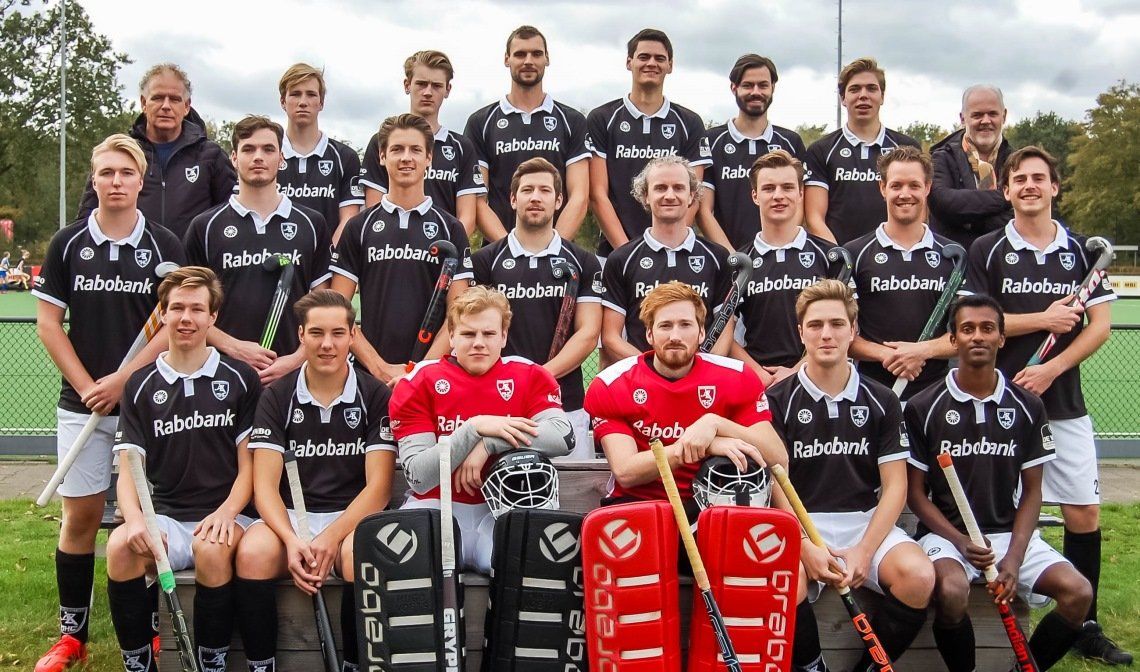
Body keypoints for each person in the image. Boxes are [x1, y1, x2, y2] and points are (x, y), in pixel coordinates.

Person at [965, 147, 1129, 664]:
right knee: (1006, 512)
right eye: (1019, 179)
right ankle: (1005, 614)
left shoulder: (1082, 251)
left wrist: (1051, 368)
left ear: (1055, 187)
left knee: (1084, 512)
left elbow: (1099, 327)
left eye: (1039, 178)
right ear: (1006, 190)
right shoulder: (987, 249)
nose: (1030, 186)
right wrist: (1043, 319)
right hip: (1002, 407)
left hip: (1062, 403)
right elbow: (977, 322)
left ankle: (1086, 623)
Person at [33, 134, 185, 672]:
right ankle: (71, 635)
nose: (116, 181)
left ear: (141, 180)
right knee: (81, 516)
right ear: (93, 179)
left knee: (145, 520)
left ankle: (150, 630)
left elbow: (173, 324)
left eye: (126, 172)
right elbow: (49, 325)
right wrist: (88, 386)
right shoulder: (68, 243)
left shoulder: (164, 244)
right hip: (83, 405)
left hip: (147, 406)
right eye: (106, 172)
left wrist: (124, 381)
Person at [906, 294, 1094, 672]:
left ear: (1001, 338)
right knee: (952, 592)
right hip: (947, 537)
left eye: (987, 328)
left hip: (1008, 536)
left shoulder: (1028, 405)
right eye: (968, 329)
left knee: (1079, 592)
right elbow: (915, 495)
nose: (978, 336)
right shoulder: (923, 406)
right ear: (953, 340)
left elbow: (1033, 491)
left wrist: (1014, 558)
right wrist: (961, 541)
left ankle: (1024, 668)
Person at [767, 279, 934, 672]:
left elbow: (896, 486)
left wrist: (864, 551)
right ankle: (813, 667)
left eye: (837, 324)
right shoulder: (776, 399)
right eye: (815, 325)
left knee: (918, 576)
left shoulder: (883, 399)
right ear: (801, 333)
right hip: (800, 526)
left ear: (853, 330)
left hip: (863, 523)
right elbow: (774, 483)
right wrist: (804, 545)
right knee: (782, 580)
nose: (826, 334)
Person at [106, 266, 260, 672]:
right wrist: (136, 521)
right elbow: (129, 468)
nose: (185, 318)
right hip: (169, 517)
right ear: (163, 314)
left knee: (210, 549)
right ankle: (139, 664)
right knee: (119, 547)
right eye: (176, 308)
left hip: (230, 515)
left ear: (213, 317)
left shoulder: (240, 378)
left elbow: (249, 466)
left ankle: (212, 662)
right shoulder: (140, 384)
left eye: (196, 309)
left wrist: (226, 513)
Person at [235, 290, 396, 672]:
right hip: (290, 519)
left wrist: (330, 538)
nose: (327, 344)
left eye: (338, 333)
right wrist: (292, 540)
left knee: (362, 556)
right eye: (317, 333)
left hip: (351, 520)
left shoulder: (374, 395)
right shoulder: (277, 397)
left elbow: (379, 489)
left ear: (352, 336)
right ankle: (261, 665)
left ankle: (356, 664)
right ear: (301, 336)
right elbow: (264, 487)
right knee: (252, 554)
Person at [390, 286, 573, 573]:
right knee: (416, 567)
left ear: (504, 336)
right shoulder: (420, 380)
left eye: (488, 334)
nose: (478, 343)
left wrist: (490, 441)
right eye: (468, 334)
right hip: (436, 505)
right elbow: (419, 477)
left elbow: (563, 436)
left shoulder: (528, 374)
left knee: (526, 567)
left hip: (502, 511)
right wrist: (473, 428)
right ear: (451, 336)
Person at [585, 280, 784, 511]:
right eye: (665, 326)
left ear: (701, 332)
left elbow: (777, 455)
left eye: (685, 325)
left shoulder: (736, 377)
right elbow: (626, 472)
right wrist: (703, 446)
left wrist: (715, 424)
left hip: (713, 506)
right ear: (649, 334)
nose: (675, 336)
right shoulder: (612, 383)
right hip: (638, 505)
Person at [184, 115, 332, 385]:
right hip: (223, 374)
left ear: (281, 158)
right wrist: (233, 347)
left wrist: (297, 358)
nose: (258, 157)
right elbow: (189, 308)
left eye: (268, 149)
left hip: (292, 375)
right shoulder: (205, 227)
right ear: (234, 158)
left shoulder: (312, 224)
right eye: (248, 149)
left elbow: (322, 304)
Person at [472, 158, 603, 457]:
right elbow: (475, 332)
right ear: (513, 199)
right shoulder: (485, 261)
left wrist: (537, 378)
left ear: (558, 201)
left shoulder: (583, 262)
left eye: (544, 190)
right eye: (527, 190)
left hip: (564, 404)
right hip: (499, 403)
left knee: (570, 487)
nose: (535, 197)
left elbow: (588, 333)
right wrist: (516, 382)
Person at [331, 113, 473, 386]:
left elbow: (459, 314)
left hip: (431, 378)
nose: (406, 158)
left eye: (415, 150)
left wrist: (422, 371)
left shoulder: (451, 228)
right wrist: (379, 368)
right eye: (397, 149)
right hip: (371, 377)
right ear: (382, 156)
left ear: (429, 158)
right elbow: (337, 309)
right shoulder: (359, 226)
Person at [845, 146, 958, 401]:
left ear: (927, 187)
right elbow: (842, 333)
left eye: (914, 185)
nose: (905, 194)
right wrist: (886, 354)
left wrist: (923, 351)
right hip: (871, 397)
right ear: (882, 188)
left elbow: (967, 335)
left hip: (936, 398)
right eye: (896, 185)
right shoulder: (854, 253)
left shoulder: (954, 255)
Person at [586, 28, 711, 256]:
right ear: (629, 62)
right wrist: (628, 254)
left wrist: (667, 246)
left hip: (674, 252)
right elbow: (597, 194)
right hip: (615, 253)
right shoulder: (602, 118)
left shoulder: (690, 122)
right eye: (644, 57)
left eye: (659, 58)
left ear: (670, 65)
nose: (651, 63)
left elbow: (693, 195)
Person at [77, 63, 235, 238]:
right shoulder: (120, 155)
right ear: (144, 103)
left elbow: (232, 216)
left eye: (174, 99)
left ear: (186, 106)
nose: (166, 106)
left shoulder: (211, 156)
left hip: (192, 256)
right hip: (133, 254)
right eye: (158, 98)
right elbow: (86, 221)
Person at [463, 25, 590, 240]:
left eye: (536, 54)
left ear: (547, 59)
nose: (528, 61)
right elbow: (478, 199)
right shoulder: (480, 122)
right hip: (500, 250)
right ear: (507, 59)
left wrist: (553, 249)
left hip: (558, 251)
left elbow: (580, 196)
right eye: (520, 54)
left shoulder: (572, 121)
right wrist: (509, 250)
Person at [600, 155, 731, 363]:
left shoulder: (718, 258)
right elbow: (611, 337)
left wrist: (699, 371)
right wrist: (654, 369)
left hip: (701, 377)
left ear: (691, 195)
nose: (670, 195)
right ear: (645, 195)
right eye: (660, 188)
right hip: (644, 377)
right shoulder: (621, 260)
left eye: (678, 188)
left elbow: (725, 332)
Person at [731, 149, 837, 387]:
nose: (778, 196)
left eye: (787, 187)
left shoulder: (829, 256)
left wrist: (798, 370)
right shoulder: (739, 262)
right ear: (755, 195)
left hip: (817, 379)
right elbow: (725, 334)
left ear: (800, 193)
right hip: (760, 383)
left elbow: (847, 327)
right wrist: (759, 374)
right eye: (769, 188)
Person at [361, 50, 485, 234]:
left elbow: (467, 217)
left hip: (443, 247)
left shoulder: (461, 147)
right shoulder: (382, 141)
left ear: (447, 90)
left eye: (436, 86)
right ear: (407, 85)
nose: (428, 92)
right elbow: (374, 211)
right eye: (421, 84)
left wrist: (447, 248)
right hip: (389, 246)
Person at [804, 58, 919, 245]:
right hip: (839, 257)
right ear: (843, 98)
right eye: (855, 89)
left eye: (871, 89)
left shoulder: (906, 147)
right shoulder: (821, 150)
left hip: (893, 255)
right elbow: (814, 218)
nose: (863, 95)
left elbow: (918, 209)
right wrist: (839, 256)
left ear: (882, 97)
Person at [698, 54, 806, 250]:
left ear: (773, 88)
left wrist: (781, 248)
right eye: (748, 85)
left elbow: (798, 203)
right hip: (728, 258)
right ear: (734, 88)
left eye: (763, 85)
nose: (756, 92)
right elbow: (704, 210)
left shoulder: (791, 142)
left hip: (780, 254)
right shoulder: (711, 141)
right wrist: (733, 257)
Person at [276, 63, 364, 244]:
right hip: (273, 257)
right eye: (295, 94)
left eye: (311, 94)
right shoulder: (266, 154)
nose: (303, 102)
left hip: (327, 259)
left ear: (321, 103)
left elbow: (349, 218)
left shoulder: (345, 157)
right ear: (283, 101)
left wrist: (327, 257)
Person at [929, 85, 1014, 249]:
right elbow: (943, 202)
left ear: (1004, 116)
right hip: (953, 258)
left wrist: (967, 220)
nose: (986, 121)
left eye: (993, 114)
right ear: (962, 118)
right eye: (977, 115)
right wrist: (1007, 197)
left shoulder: (1018, 162)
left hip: (1004, 257)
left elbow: (1023, 214)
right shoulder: (941, 158)